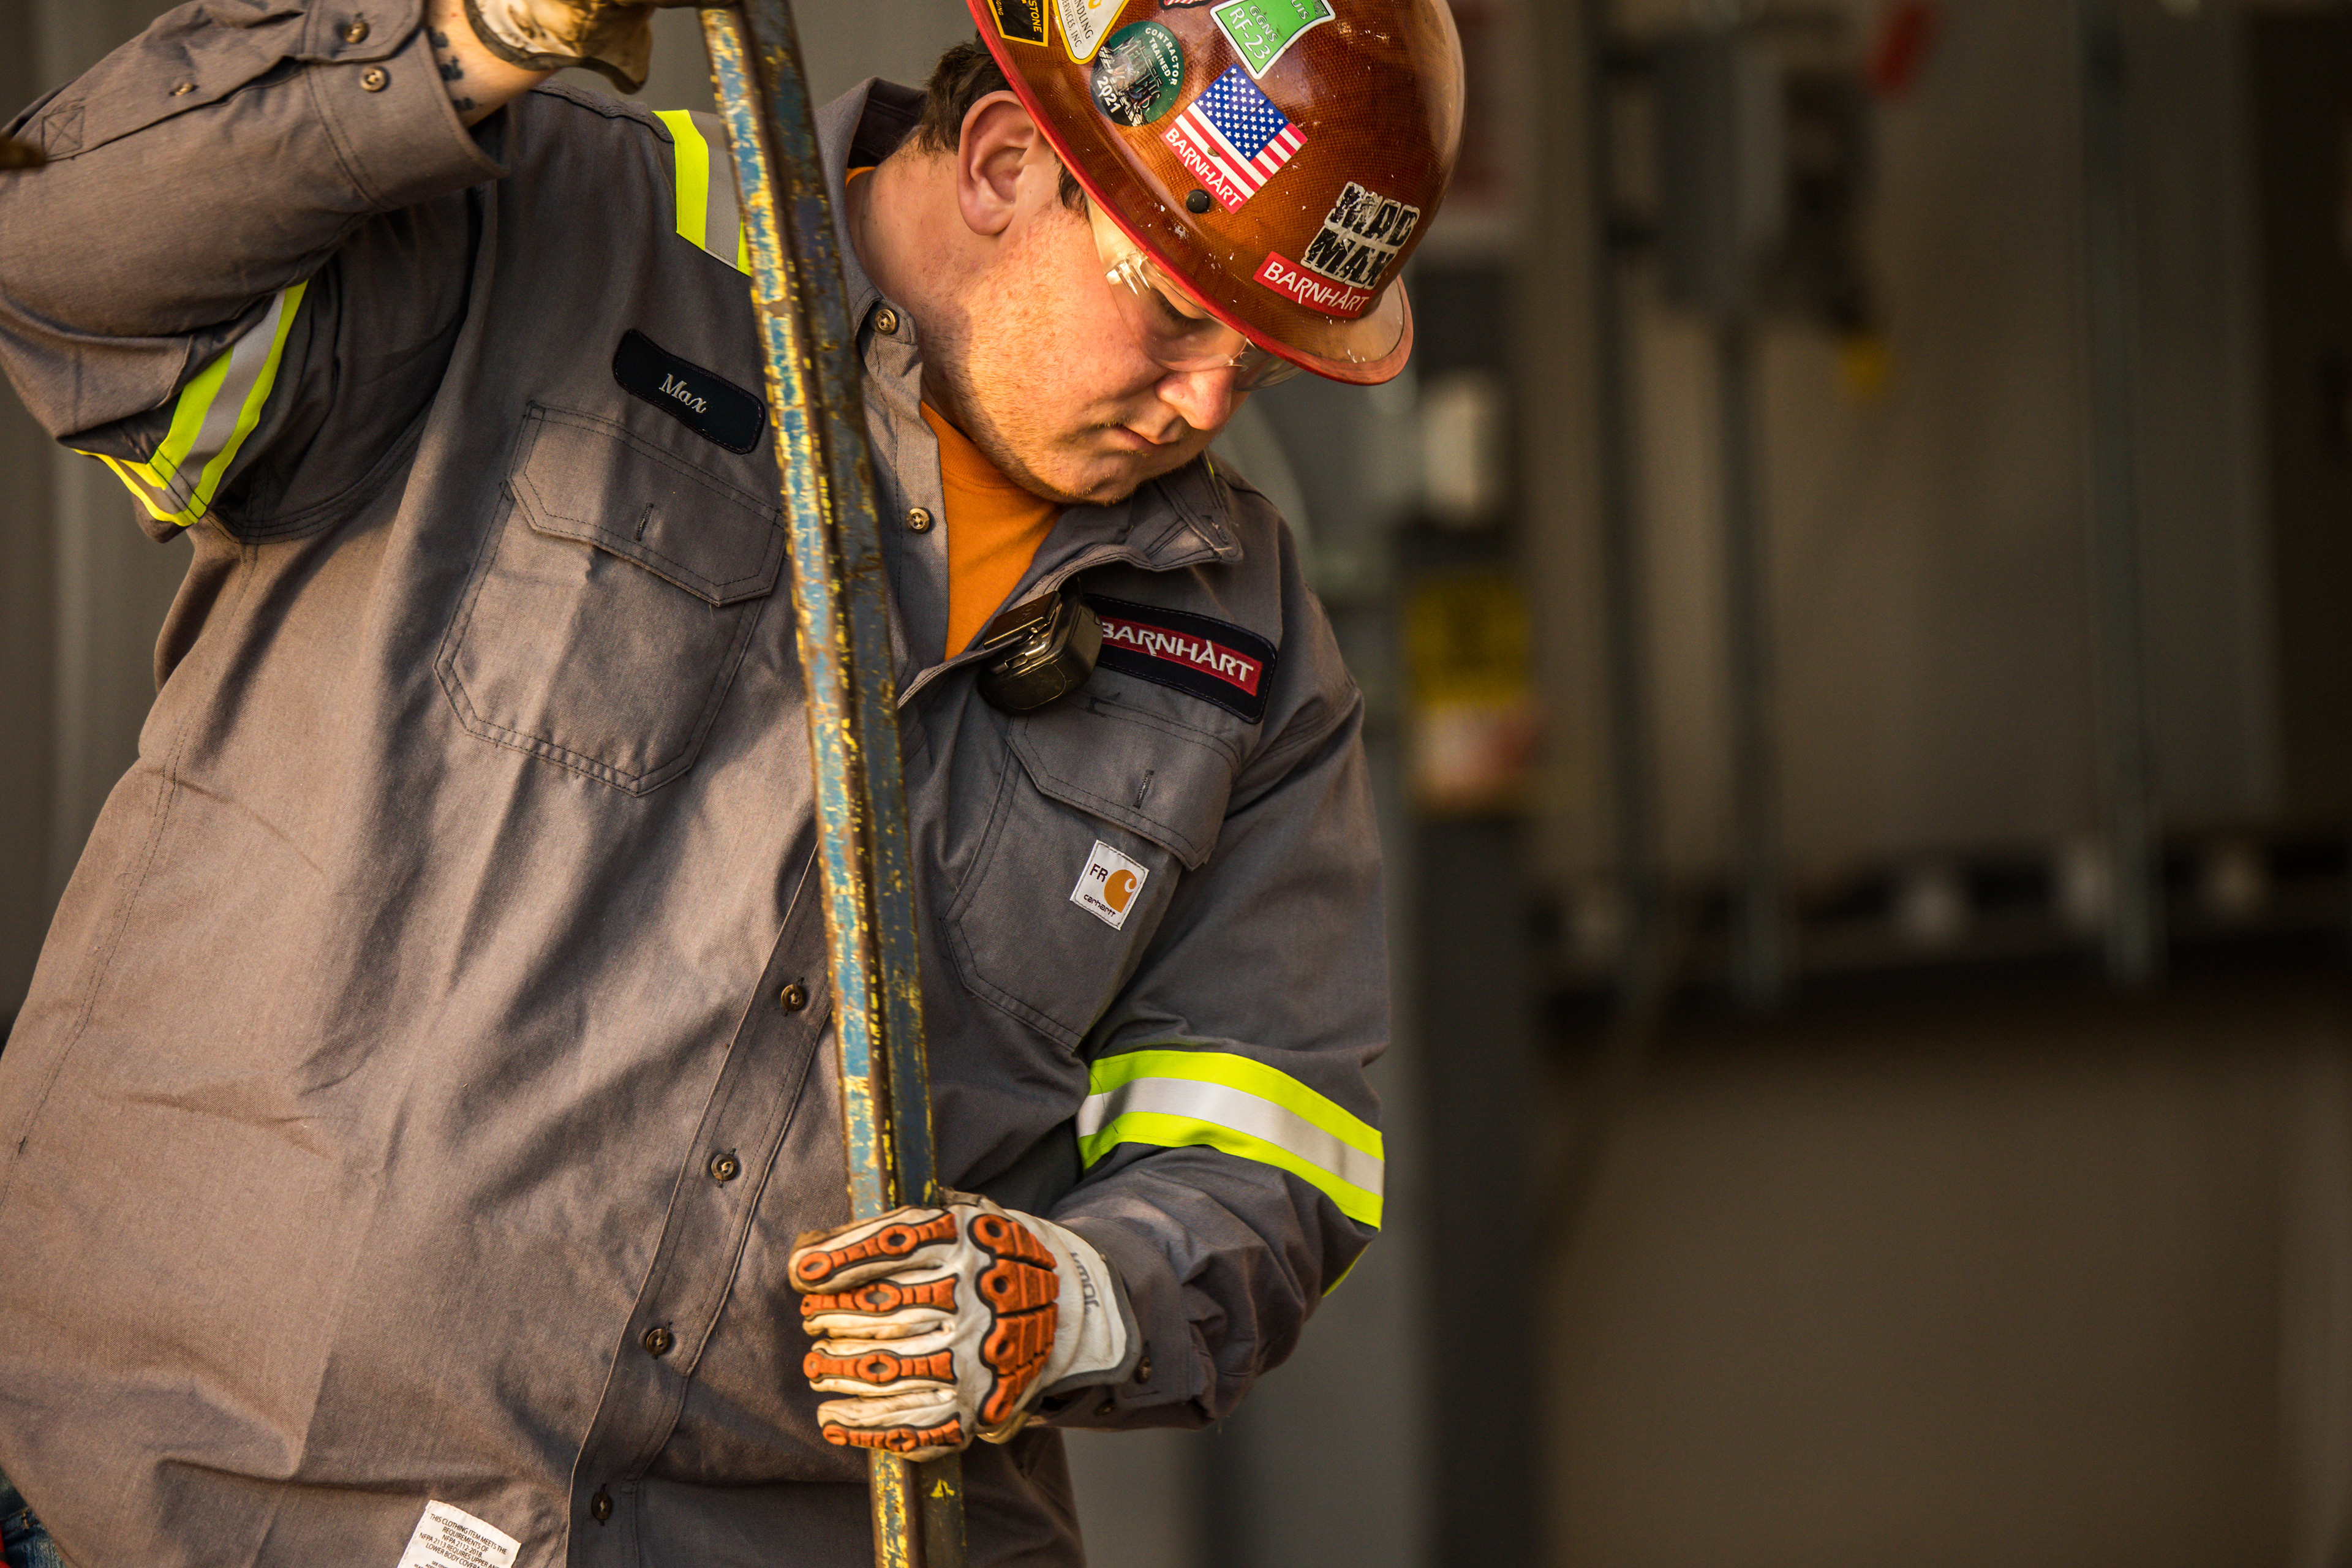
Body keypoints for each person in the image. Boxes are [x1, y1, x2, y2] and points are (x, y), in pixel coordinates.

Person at [0, 0, 1461, 1558]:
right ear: (1001, 161)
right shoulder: (541, 234)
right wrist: (455, 46)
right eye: (1176, 317)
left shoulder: (1241, 643)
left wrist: (1079, 1301)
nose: (1207, 408)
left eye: (1265, 361)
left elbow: (1268, 1144)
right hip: (186, 1507)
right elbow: (67, 274)